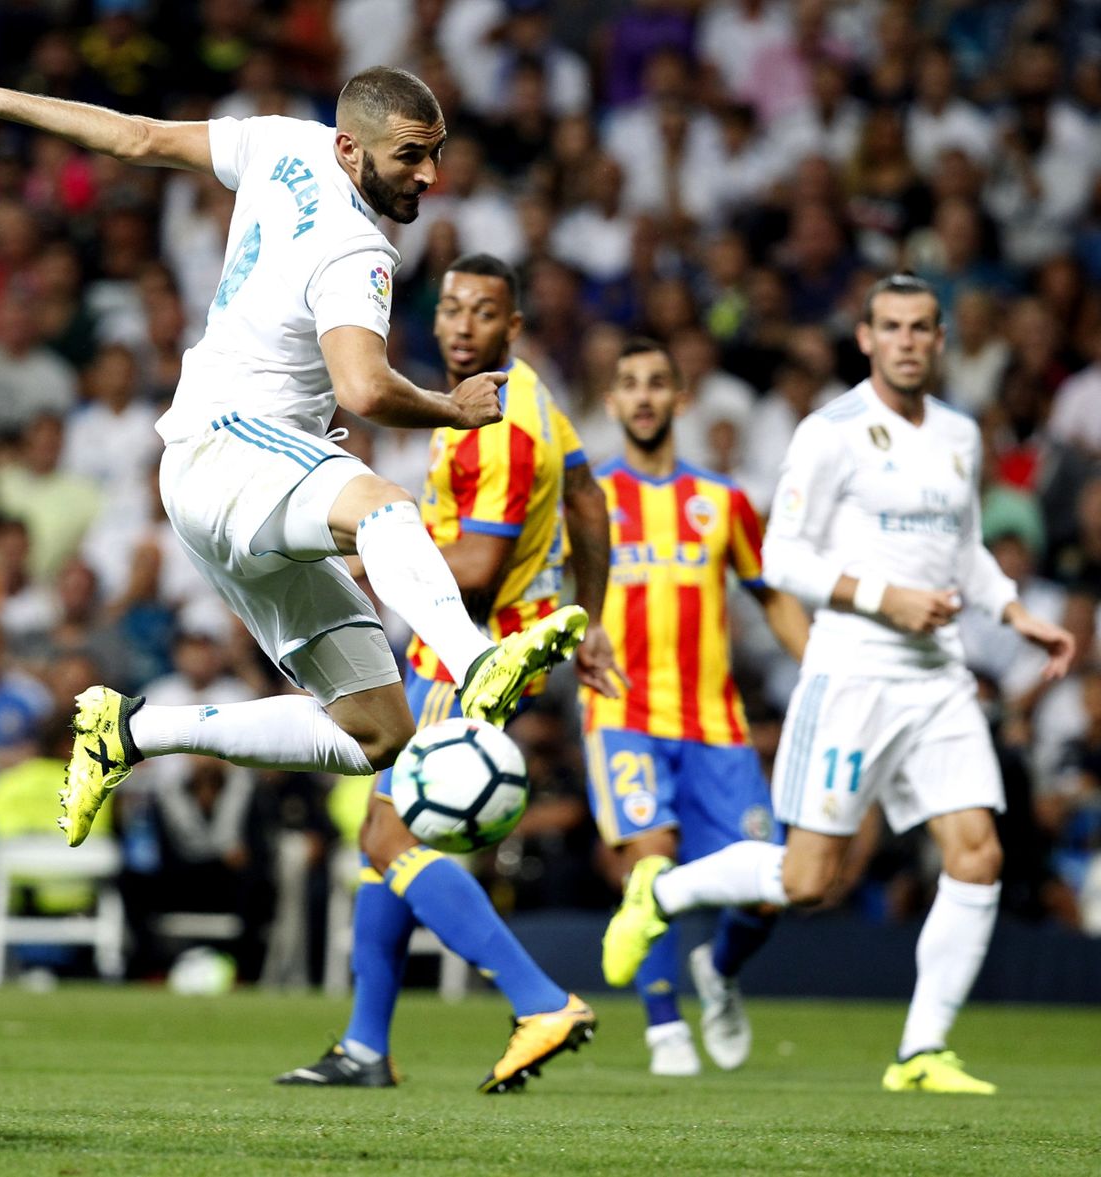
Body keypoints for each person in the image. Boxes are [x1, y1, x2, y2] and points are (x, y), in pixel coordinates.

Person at [0, 70, 588, 847]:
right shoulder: (360, 251)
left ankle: (132, 732)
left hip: (223, 482)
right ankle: (475, 658)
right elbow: (363, 387)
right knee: (385, 507)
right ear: (352, 148)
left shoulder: (283, 141)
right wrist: (450, 408)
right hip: (234, 445)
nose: (430, 174)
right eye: (412, 155)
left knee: (377, 733)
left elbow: (136, 135)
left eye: (438, 152)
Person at [601, 274, 1077, 1094]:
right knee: (807, 880)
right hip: (852, 671)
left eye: (922, 327)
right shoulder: (832, 432)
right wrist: (884, 596)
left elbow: (963, 548)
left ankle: (920, 1051)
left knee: (977, 852)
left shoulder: (961, 434)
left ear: (939, 338)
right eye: (891, 326)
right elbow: (782, 556)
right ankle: (664, 893)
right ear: (865, 338)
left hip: (938, 677)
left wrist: (1009, 610)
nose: (907, 340)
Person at [274, 252, 619, 1092]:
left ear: (514, 324)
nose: (463, 325)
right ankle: (364, 1046)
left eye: (484, 312)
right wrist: (591, 615)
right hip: (499, 643)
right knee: (378, 840)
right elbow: (587, 500)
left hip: (473, 655)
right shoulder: (527, 390)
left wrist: (360, 558)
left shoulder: (499, 427)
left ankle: (539, 999)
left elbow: (475, 567)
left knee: (389, 834)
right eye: (453, 308)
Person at [588, 337, 809, 1077]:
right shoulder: (592, 500)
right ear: (612, 402)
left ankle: (719, 967)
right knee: (648, 870)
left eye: (657, 383)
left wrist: (821, 669)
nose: (644, 396)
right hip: (622, 714)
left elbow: (769, 593)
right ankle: (663, 1027)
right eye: (630, 384)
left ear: (680, 398)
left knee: (771, 889)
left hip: (716, 724)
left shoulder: (723, 501)